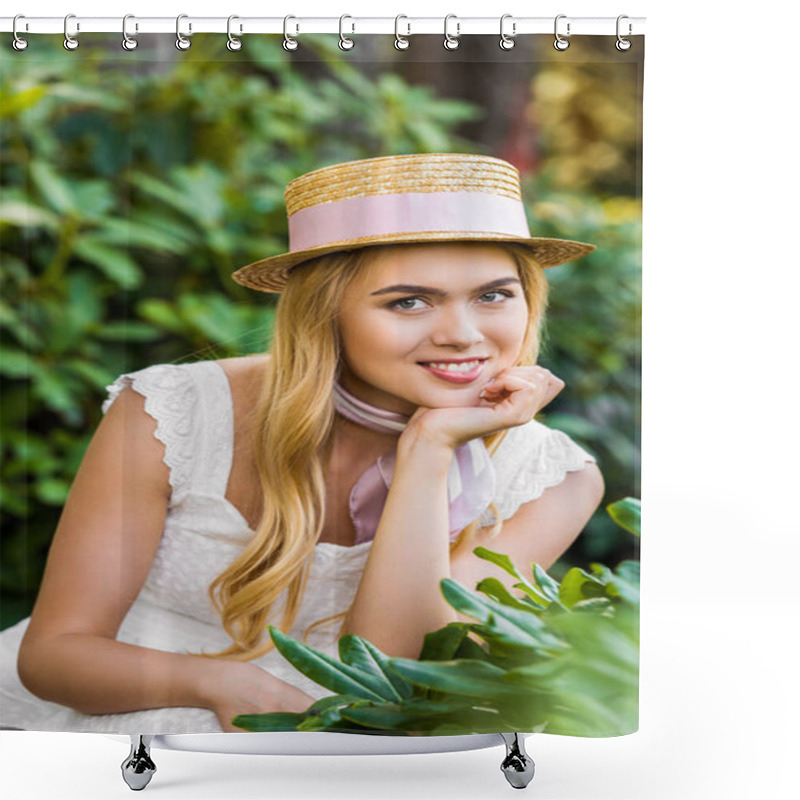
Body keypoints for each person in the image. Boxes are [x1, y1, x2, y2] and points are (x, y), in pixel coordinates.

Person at [0, 153, 604, 735]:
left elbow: (393, 673)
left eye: (493, 294)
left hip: (349, 756)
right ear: (325, 313)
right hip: (123, 722)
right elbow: (55, 656)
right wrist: (217, 684)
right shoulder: (172, 412)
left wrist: (429, 447)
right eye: (409, 301)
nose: (463, 335)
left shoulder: (555, 478)